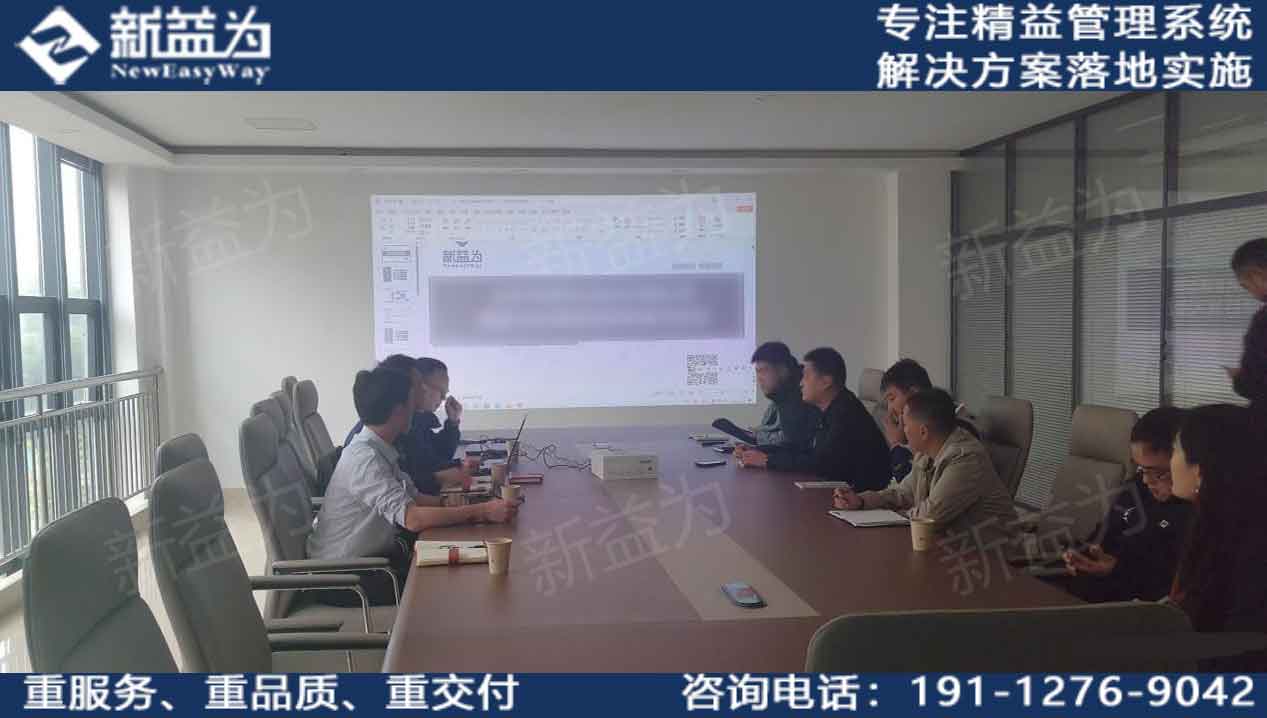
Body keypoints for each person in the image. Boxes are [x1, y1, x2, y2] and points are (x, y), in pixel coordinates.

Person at [308, 367, 516, 605]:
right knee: (451, 588)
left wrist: (468, 503)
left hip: (369, 563)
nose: (416, 409)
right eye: (412, 402)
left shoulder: (378, 448)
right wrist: (482, 512)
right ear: (398, 410)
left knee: (456, 575)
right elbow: (413, 519)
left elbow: (415, 498)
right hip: (344, 578)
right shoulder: (365, 459)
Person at [832, 388, 1017, 545]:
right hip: (951, 545)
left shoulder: (966, 459)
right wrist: (861, 501)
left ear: (923, 431)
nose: (902, 430)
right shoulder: (927, 452)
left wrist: (888, 515)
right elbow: (903, 493)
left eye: (905, 424)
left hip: (991, 558)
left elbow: (929, 516)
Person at [1048, 407, 1193, 602]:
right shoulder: (1136, 488)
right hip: (1090, 593)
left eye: (1157, 472)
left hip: (1135, 606)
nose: (1146, 480)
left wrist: (1117, 569)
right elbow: (1100, 537)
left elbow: (1169, 583)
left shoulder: (1193, 511)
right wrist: (1080, 556)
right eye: (1141, 469)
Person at [1168, 404, 1267, 671]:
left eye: (1175, 449)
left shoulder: (1250, 551)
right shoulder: (1220, 523)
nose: (1171, 460)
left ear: (1200, 469)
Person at [736, 347, 889, 491]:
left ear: (825, 382)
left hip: (859, 497)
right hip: (840, 490)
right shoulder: (830, 408)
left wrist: (767, 460)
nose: (801, 383)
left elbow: (821, 464)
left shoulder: (846, 413)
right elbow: (803, 449)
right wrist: (759, 451)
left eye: (806, 376)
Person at [345, 355, 476, 497]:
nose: (444, 398)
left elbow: (418, 472)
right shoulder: (383, 435)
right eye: (419, 385)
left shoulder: (408, 422)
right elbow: (409, 485)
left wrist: (452, 423)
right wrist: (440, 477)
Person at [713, 342, 819, 450]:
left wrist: (759, 443)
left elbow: (792, 442)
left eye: (764, 370)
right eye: (757, 372)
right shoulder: (782, 394)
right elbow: (769, 429)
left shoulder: (803, 395)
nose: (759, 378)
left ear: (783, 370)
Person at [1229, 238, 1267, 407]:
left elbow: (1253, 385)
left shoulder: (1263, 321)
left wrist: (1238, 378)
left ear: (1257, 275)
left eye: (1245, 286)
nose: (1250, 292)